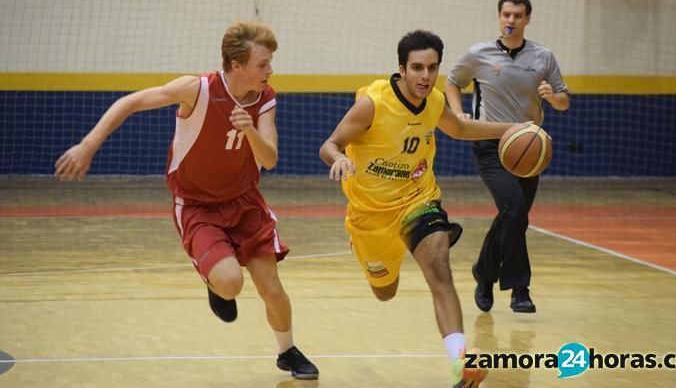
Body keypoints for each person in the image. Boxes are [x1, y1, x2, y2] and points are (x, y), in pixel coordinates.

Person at [55, 21, 319, 380]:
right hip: (197, 205)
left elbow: (269, 159)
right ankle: (213, 280)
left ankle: (287, 352)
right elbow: (130, 102)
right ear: (236, 65)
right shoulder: (197, 90)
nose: (270, 70)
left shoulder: (265, 98)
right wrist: (88, 145)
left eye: (271, 62)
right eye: (263, 64)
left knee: (272, 289)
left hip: (245, 202)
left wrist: (250, 131)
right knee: (230, 283)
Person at [320, 30, 519, 388]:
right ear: (401, 69)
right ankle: (370, 255)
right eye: (417, 68)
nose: (425, 76)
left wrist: (513, 129)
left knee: (438, 267)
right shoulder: (373, 102)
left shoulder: (435, 101)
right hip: (371, 216)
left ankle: (461, 364)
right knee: (385, 291)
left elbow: (459, 127)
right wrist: (338, 159)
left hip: (417, 201)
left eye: (432, 68)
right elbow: (330, 144)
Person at [445, 0, 570, 314]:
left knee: (515, 217)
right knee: (514, 210)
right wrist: (458, 113)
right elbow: (452, 82)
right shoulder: (479, 54)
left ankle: (484, 274)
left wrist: (553, 97)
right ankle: (519, 289)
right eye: (506, 15)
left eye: (517, 15)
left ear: (527, 18)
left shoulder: (543, 56)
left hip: (530, 145)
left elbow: (564, 100)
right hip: (491, 143)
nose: (511, 20)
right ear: (499, 17)